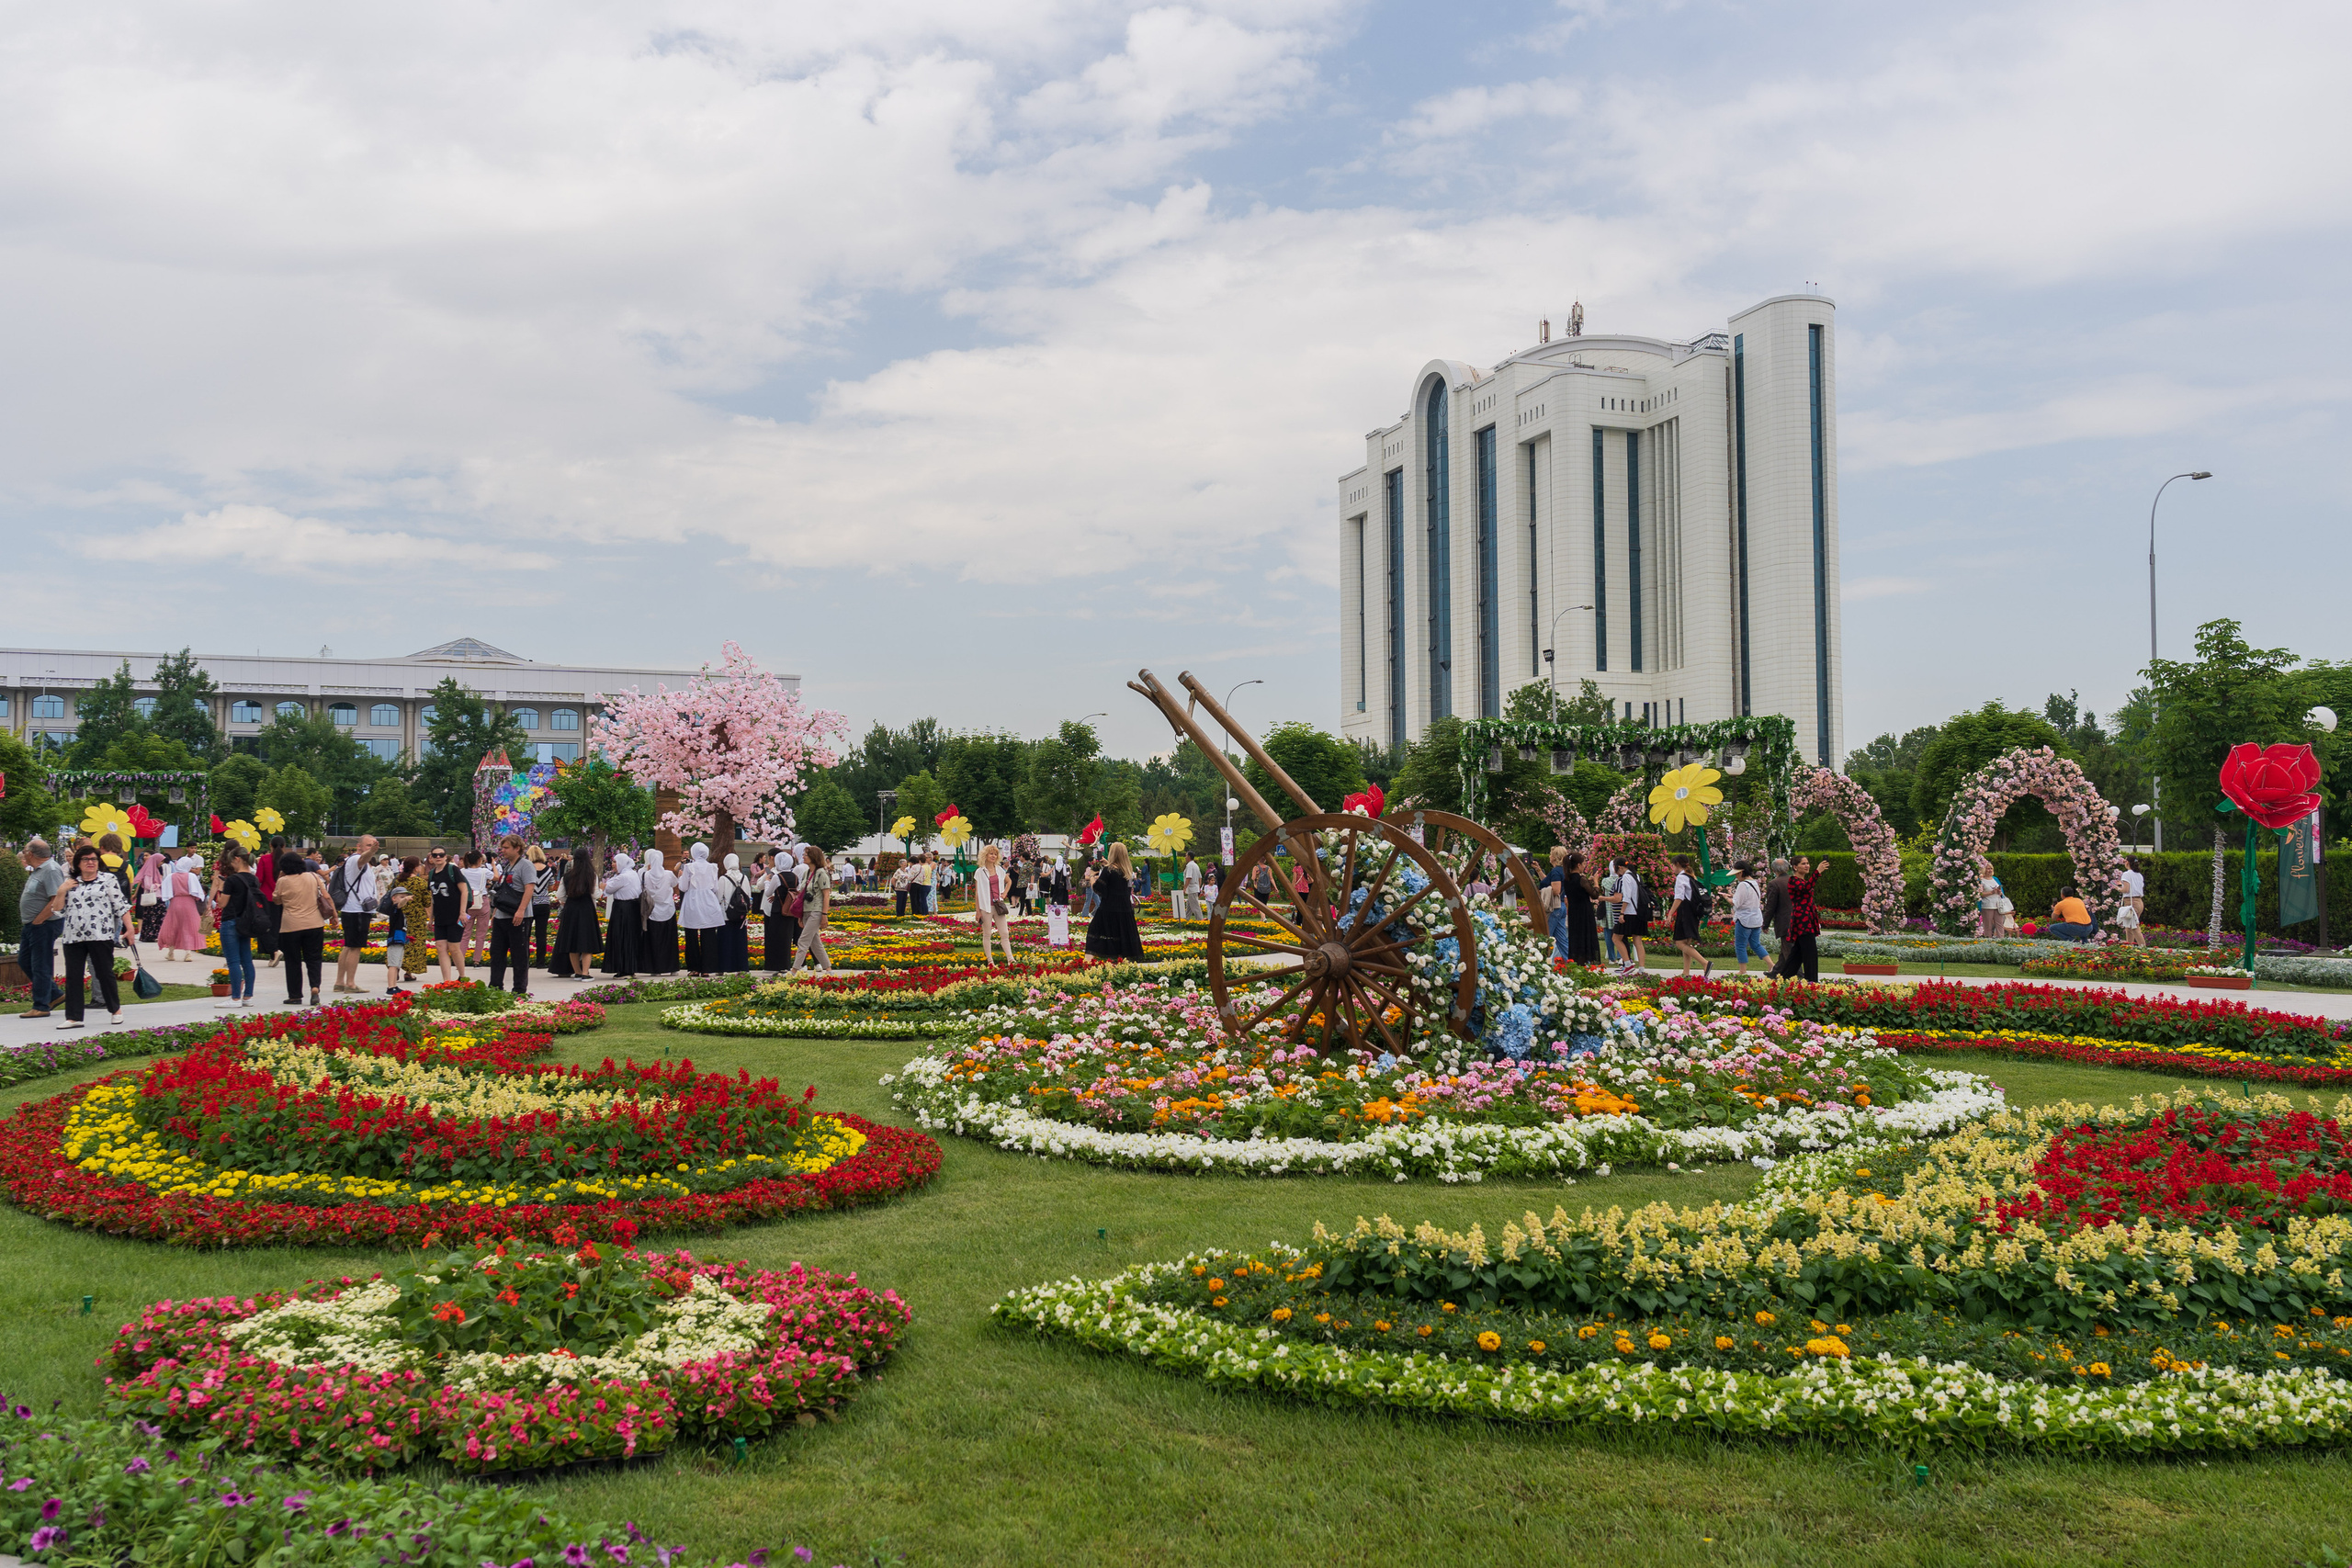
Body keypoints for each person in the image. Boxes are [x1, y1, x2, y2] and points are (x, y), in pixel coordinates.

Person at [42, 842, 133, 1029]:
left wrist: (129, 929)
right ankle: (73, 1017)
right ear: (78, 863)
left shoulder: (108, 879)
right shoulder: (70, 882)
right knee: (74, 976)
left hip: (100, 935)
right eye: (85, 859)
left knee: (104, 973)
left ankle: (115, 1010)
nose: (90, 862)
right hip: (73, 936)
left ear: (98, 862)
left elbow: (121, 906)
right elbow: (58, 911)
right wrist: (61, 891)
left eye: (93, 859)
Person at [271, 848, 330, 1007]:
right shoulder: (312, 876)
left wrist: (279, 878)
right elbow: (326, 895)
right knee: (314, 958)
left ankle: (295, 995)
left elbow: (276, 900)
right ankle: (315, 988)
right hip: (314, 924)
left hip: (291, 926)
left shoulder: (283, 881)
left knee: (293, 961)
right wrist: (335, 916)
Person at [16, 839, 67, 1019]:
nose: (23, 854)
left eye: (24, 851)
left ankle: (41, 1006)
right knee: (25, 961)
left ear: (30, 854)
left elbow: (56, 899)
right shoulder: (39, 870)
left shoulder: (51, 870)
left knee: (40, 965)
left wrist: (39, 920)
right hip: (33, 925)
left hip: (44, 924)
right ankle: (55, 995)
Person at [481, 835, 537, 995]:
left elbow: (529, 888)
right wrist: (496, 913)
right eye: (502, 848)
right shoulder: (507, 866)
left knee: (519, 955)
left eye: (506, 848)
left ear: (517, 848)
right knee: (496, 953)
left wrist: (521, 911)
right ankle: (495, 987)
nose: (502, 851)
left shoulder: (525, 866)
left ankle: (519, 989)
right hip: (502, 916)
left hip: (518, 916)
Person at [329, 833, 381, 994]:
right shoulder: (354, 860)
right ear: (359, 846)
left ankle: (340, 982)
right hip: (357, 910)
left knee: (348, 946)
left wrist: (370, 851)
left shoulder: (359, 863)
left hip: (353, 910)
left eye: (373, 845)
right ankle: (350, 984)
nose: (371, 848)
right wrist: (371, 852)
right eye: (368, 845)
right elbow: (362, 859)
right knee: (355, 947)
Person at [211, 848, 262, 1008]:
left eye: (232, 861)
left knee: (233, 961)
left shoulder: (232, 880)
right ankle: (248, 996)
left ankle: (234, 998)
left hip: (230, 921)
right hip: (247, 922)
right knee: (247, 960)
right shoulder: (254, 879)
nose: (231, 864)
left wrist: (221, 888)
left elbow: (223, 903)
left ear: (238, 859)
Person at [1082, 842, 1146, 961]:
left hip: (1108, 908)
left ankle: (1087, 961)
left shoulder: (1108, 870)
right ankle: (1121, 961)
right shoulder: (1127, 871)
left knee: (1094, 933)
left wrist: (1091, 876)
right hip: (1125, 910)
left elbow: (1097, 888)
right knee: (1121, 935)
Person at [544, 846, 599, 977]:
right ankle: (585, 973)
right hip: (586, 909)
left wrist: (569, 900)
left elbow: (560, 895)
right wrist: (601, 890)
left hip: (571, 909)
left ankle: (578, 972)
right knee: (587, 941)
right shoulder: (592, 875)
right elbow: (595, 894)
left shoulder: (567, 876)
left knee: (571, 940)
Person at [1771, 855, 1822, 982]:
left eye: (1808, 863)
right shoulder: (1793, 881)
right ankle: (1812, 982)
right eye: (1803, 863)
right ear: (1795, 867)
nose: (1807, 865)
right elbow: (1806, 888)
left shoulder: (1804, 881)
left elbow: (1807, 887)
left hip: (1807, 920)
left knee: (1797, 954)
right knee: (1810, 953)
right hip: (1802, 922)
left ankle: (1783, 978)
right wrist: (1818, 872)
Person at [424, 846, 471, 982]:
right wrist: (431, 918)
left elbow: (464, 891)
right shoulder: (432, 874)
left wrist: (463, 912)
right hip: (440, 916)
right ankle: (447, 980)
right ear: (431, 858)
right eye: (435, 855)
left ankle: (463, 977)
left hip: (457, 915)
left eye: (441, 854)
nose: (438, 857)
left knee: (454, 947)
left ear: (446, 856)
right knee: (440, 947)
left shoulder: (453, 870)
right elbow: (434, 897)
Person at [598, 851, 646, 978]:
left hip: (623, 909)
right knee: (630, 938)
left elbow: (607, 888)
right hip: (633, 908)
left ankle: (624, 969)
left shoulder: (623, 877)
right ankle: (630, 968)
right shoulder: (633, 874)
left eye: (615, 862)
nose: (613, 864)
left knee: (621, 937)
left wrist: (604, 885)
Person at [676, 842, 722, 974]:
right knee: (709, 935)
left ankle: (694, 968)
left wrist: (680, 878)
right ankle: (708, 968)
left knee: (691, 935)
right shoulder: (713, 867)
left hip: (692, 901)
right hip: (709, 901)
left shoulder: (689, 867)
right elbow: (715, 887)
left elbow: (683, 887)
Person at [789, 844, 833, 973]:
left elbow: (826, 895)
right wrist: (800, 916)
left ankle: (794, 971)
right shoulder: (806, 873)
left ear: (813, 857)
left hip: (816, 911)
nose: (803, 856)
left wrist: (824, 914)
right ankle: (829, 970)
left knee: (803, 941)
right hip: (806, 911)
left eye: (806, 855)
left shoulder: (821, 874)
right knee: (815, 942)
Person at [1666, 853, 1711, 978]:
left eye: (1673, 865)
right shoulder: (1691, 876)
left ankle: (1705, 963)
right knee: (1686, 943)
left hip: (1685, 913)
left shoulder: (1681, 878)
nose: (1672, 868)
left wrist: (1670, 914)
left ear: (1677, 865)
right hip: (1693, 913)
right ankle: (1686, 972)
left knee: (1680, 943)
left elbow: (1679, 898)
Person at [973, 841, 1014, 965]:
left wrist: (1005, 893)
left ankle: (1011, 959)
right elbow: (977, 893)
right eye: (991, 854)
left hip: (998, 905)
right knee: (987, 934)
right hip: (986, 907)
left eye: (995, 854)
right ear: (985, 855)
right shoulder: (980, 872)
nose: (993, 856)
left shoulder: (999, 870)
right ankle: (990, 961)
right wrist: (978, 911)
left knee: (1005, 933)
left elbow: (1009, 881)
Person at [640, 848, 680, 974]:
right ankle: (672, 968)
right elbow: (675, 884)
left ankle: (655, 968)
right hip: (668, 909)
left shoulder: (645, 875)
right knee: (670, 940)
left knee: (654, 940)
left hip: (652, 911)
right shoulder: (668, 874)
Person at [383, 856, 419, 993]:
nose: (404, 898)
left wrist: (407, 938)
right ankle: (390, 987)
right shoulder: (395, 908)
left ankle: (394, 986)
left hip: (400, 939)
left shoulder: (399, 911)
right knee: (393, 965)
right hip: (394, 940)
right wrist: (406, 899)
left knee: (396, 963)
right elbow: (400, 904)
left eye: (406, 896)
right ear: (394, 898)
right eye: (401, 896)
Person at [1560, 851, 1600, 965]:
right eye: (1583, 864)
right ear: (1578, 865)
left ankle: (1577, 961)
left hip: (1573, 911)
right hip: (1584, 911)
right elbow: (1594, 894)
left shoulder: (1567, 879)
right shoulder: (1581, 879)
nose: (1584, 867)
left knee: (1576, 937)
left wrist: (1589, 880)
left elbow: (1579, 887)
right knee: (1586, 936)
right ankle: (1587, 961)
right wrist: (1596, 882)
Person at [763, 852, 798, 973]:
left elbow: (768, 892)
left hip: (778, 910)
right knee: (787, 937)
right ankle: (786, 965)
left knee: (776, 937)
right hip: (790, 910)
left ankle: (776, 965)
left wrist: (767, 881)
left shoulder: (777, 877)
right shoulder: (795, 876)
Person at [1729, 861, 1768, 973]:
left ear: (1741, 872)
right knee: (1756, 944)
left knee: (1740, 945)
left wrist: (1729, 899)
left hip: (1744, 919)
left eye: (1736, 874)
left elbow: (1737, 903)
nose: (1736, 877)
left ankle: (1742, 970)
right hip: (1756, 919)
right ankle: (1771, 964)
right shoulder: (1755, 883)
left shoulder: (1742, 884)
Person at [458, 851, 493, 967]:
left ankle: (460, 959)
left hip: (467, 904)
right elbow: (497, 877)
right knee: (481, 934)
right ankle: (476, 960)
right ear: (479, 860)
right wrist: (493, 864)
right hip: (482, 902)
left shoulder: (462, 871)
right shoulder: (484, 871)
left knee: (465, 933)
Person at [1612, 861, 1648, 974]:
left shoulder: (1626, 878)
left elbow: (1626, 897)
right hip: (1640, 912)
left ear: (1619, 867)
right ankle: (1641, 969)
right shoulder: (1636, 875)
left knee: (1616, 938)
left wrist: (1622, 913)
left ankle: (1627, 964)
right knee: (1637, 941)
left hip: (1629, 912)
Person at [254, 835, 285, 968]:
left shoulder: (264, 859)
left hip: (267, 897)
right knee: (280, 926)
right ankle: (277, 952)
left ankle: (273, 951)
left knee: (263, 926)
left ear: (270, 845)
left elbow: (259, 878)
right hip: (284, 897)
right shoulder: (287, 859)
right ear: (284, 846)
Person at [1542, 846, 1574, 959]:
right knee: (1561, 939)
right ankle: (1571, 961)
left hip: (1554, 908)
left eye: (1551, 855)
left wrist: (1544, 891)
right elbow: (1548, 881)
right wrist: (1538, 870)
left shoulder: (1555, 871)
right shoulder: (1564, 871)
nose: (1549, 857)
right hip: (1561, 907)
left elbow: (1556, 890)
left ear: (1555, 857)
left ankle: (1539, 960)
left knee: (1545, 936)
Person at [133, 852, 170, 945]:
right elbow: (148, 886)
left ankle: (156, 935)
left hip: (158, 897)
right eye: (160, 861)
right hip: (153, 897)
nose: (161, 863)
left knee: (157, 917)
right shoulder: (149, 872)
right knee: (153, 917)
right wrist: (159, 885)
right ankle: (151, 935)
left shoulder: (156, 871)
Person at [1760, 858, 1792, 966]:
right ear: (1787, 868)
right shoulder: (1795, 880)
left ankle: (1798, 974)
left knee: (1788, 949)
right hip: (1798, 919)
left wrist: (1765, 924)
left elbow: (1771, 906)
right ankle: (1777, 971)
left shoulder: (1774, 883)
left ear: (1773, 870)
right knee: (1786, 948)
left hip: (1784, 921)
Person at [527, 844, 556, 962]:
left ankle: (525, 959)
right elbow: (552, 886)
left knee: (526, 933)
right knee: (541, 933)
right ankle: (540, 961)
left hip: (529, 903)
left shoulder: (528, 868)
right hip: (544, 903)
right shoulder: (548, 869)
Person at [2120, 857, 2148, 947]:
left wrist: (2117, 888)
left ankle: (2143, 948)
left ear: (2128, 862)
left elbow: (2126, 889)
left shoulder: (2126, 874)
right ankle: (2129, 946)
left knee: (2134, 926)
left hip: (2130, 901)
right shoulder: (2139, 875)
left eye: (2125, 861)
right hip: (2139, 901)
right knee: (2129, 926)